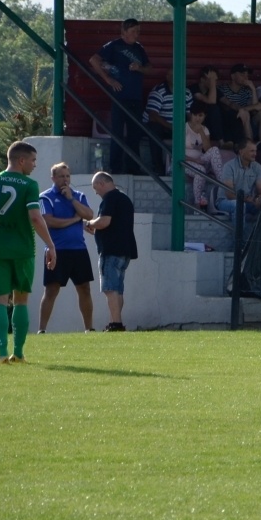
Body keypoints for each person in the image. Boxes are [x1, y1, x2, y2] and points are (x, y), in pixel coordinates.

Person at [0, 141, 56, 361]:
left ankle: (1, 354)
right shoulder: (28, 185)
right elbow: (35, 217)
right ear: (21, 160)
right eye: (32, 160)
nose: (34, 165)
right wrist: (50, 244)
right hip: (22, 250)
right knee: (20, 300)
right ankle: (18, 354)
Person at [38, 162, 96, 333]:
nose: (65, 179)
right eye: (61, 176)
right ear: (53, 178)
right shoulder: (45, 197)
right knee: (51, 290)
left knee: (84, 288)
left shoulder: (78, 195)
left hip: (79, 250)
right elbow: (48, 221)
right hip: (57, 251)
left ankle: (89, 328)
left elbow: (89, 214)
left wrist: (71, 199)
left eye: (67, 176)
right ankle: (42, 330)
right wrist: (73, 220)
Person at [94, 19, 151, 173]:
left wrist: (139, 68)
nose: (136, 34)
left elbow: (149, 69)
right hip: (119, 98)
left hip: (136, 98)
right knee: (117, 134)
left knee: (135, 135)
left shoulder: (139, 49)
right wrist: (108, 79)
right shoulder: (114, 46)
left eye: (138, 31)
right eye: (133, 31)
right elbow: (94, 60)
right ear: (124, 32)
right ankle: (116, 168)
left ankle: (133, 168)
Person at [86, 171, 136, 332]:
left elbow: (104, 221)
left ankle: (116, 323)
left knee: (110, 288)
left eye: (96, 188)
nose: (96, 192)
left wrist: (89, 223)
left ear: (102, 183)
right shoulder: (124, 199)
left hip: (111, 250)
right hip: (125, 250)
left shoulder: (110, 198)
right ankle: (115, 320)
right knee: (118, 289)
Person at [143, 78, 193, 173]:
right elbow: (152, 116)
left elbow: (190, 115)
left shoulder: (186, 92)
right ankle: (158, 168)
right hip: (161, 126)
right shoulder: (158, 91)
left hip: (176, 128)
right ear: (169, 78)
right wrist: (172, 127)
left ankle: (183, 167)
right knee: (154, 129)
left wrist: (191, 128)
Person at [220, 64, 261, 147]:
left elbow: (255, 110)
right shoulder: (223, 89)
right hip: (231, 124)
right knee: (245, 114)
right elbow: (227, 106)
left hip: (248, 123)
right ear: (232, 76)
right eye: (242, 74)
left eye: (247, 75)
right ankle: (249, 147)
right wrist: (248, 109)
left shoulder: (247, 91)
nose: (246, 77)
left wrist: (253, 89)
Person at [217, 140, 261, 221]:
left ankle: (260, 233)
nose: (255, 154)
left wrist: (260, 200)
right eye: (252, 151)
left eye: (256, 151)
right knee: (239, 205)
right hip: (225, 201)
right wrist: (247, 199)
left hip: (248, 201)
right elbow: (229, 195)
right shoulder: (229, 166)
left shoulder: (257, 167)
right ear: (241, 152)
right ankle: (238, 234)